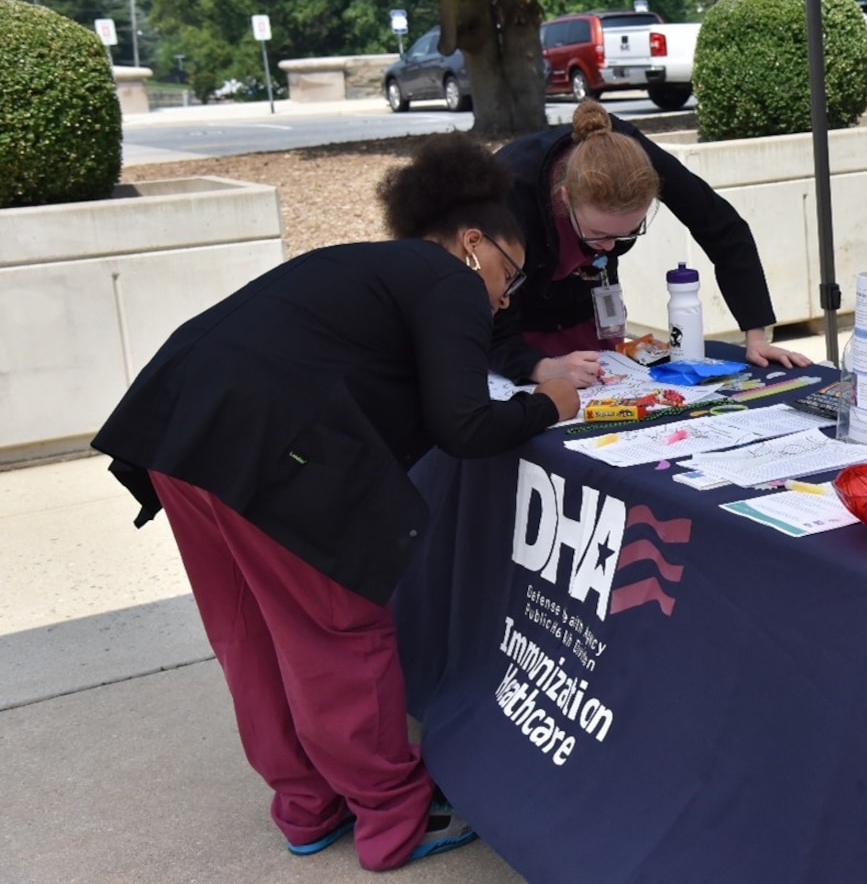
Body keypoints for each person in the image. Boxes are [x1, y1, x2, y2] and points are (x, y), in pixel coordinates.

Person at [91, 134, 581, 871]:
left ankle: (306, 805)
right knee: (337, 636)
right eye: (509, 274)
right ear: (473, 242)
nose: (506, 298)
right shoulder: (445, 278)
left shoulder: (376, 268)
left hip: (179, 434)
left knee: (249, 636)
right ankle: (394, 818)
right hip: (266, 449)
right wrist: (551, 404)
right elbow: (466, 426)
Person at [492, 100, 809, 387]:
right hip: (512, 328)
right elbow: (481, 312)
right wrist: (540, 368)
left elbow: (723, 228)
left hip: (587, 316)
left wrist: (756, 334)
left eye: (626, 234)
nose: (608, 247)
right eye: (598, 235)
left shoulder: (633, 159)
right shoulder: (509, 192)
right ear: (565, 199)